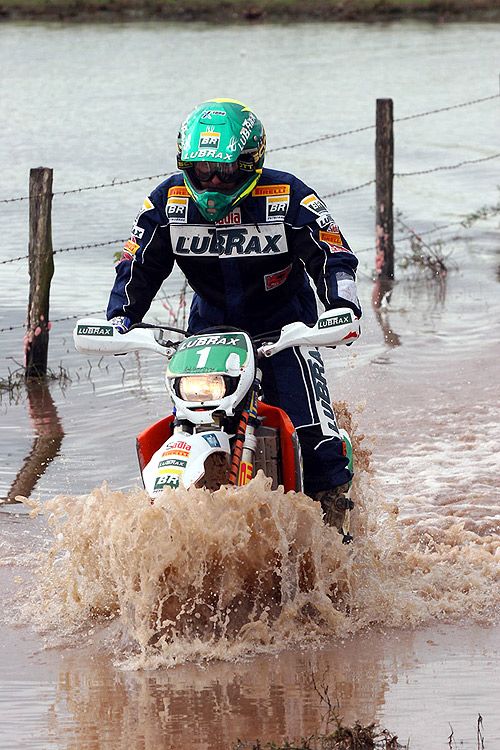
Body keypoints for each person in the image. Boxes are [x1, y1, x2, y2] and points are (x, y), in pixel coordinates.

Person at [107, 98, 361, 532]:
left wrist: (342, 308)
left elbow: (334, 255)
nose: (213, 181)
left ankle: (338, 545)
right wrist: (119, 319)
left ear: (251, 163)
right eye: (202, 170)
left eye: (224, 170)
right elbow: (136, 266)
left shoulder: (288, 195)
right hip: (209, 335)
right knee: (185, 429)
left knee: (317, 445)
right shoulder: (167, 202)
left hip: (286, 330)